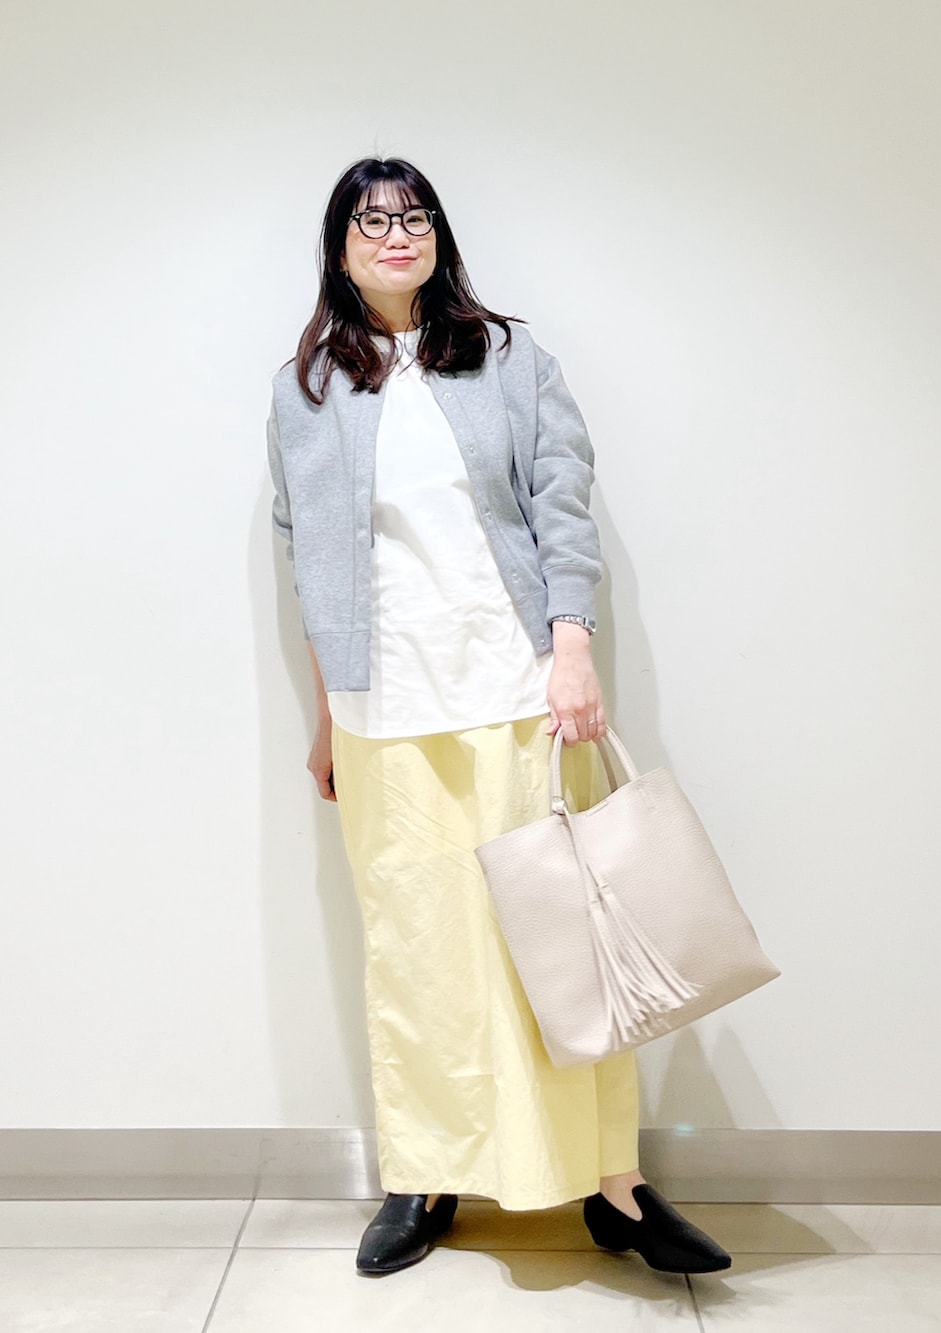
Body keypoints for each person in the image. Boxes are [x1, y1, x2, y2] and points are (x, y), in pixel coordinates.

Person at [266, 155, 730, 1279]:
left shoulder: (509, 358)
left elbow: (561, 499)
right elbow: (308, 558)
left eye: (415, 216)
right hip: (383, 711)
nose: (397, 234)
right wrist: (327, 717)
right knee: (419, 951)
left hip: (515, 692)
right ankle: (425, 1175)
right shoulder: (306, 388)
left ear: (439, 237)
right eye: (372, 220)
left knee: (560, 940)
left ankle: (612, 1186)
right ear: (339, 249)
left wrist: (571, 647)